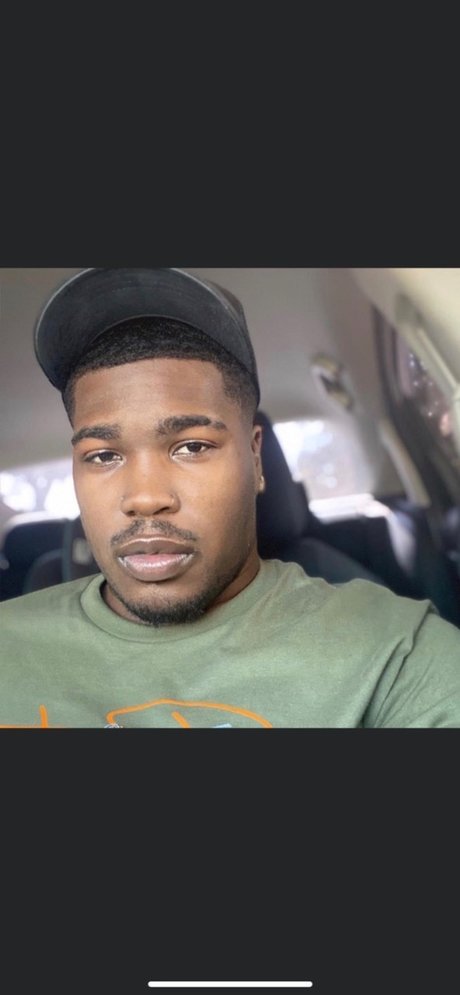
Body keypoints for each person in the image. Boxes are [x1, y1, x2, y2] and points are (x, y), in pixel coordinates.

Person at [1, 266, 460, 729]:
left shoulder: (391, 657)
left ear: (256, 459)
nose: (145, 498)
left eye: (192, 447)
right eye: (103, 455)